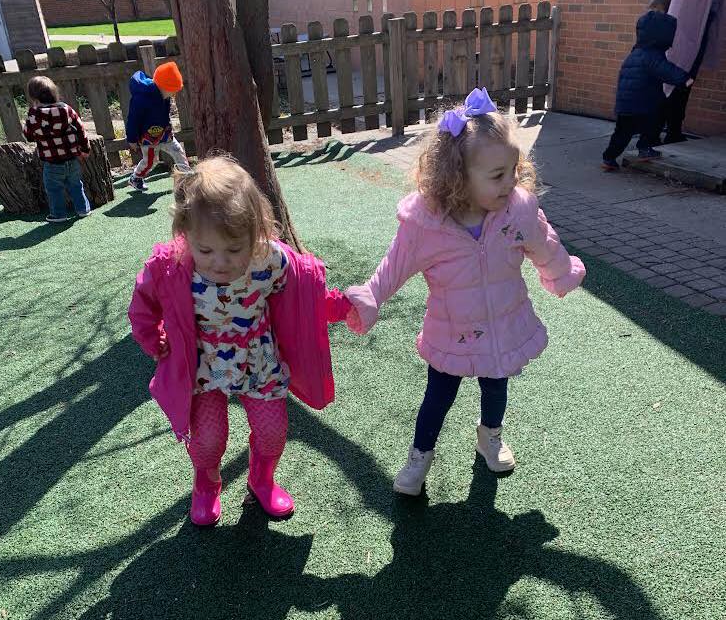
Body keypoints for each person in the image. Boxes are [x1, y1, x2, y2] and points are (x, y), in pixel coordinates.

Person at [344, 88, 586, 497]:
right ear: (458, 177)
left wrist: (561, 273)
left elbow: (545, 244)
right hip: (451, 329)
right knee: (438, 394)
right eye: (496, 176)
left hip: (503, 323)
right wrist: (371, 295)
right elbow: (396, 264)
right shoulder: (426, 223)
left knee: (496, 385)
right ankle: (420, 455)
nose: (510, 182)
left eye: (513, 169)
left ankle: (490, 436)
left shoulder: (518, 210)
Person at [128, 155, 351, 526]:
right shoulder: (174, 264)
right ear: (185, 234)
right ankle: (206, 482)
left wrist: (343, 305)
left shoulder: (268, 259)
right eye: (206, 250)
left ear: (256, 231)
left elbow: (304, 298)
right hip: (203, 368)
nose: (220, 262)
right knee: (207, 439)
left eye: (234, 250)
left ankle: (261, 481)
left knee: (272, 431)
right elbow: (143, 305)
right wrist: (153, 338)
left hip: (258, 361)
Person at [601, 9, 693, 171]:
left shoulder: (636, 52)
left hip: (627, 103)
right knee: (654, 123)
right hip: (643, 103)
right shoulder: (652, 55)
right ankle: (644, 148)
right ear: (662, 36)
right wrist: (685, 79)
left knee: (622, 133)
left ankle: (609, 157)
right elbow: (666, 70)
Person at [659, 0, 726, 143]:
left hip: (694, 27)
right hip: (687, 28)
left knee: (683, 82)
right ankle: (658, 134)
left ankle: (671, 132)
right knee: (677, 82)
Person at [22, 76, 91, 223]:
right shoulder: (66, 109)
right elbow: (80, 129)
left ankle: (59, 215)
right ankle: (83, 209)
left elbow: (28, 135)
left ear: (33, 96)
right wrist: (85, 148)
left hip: (52, 161)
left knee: (54, 190)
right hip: (72, 158)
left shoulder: (34, 114)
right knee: (76, 184)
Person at [125, 61, 191, 192]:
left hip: (164, 133)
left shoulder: (164, 96)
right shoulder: (141, 98)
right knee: (150, 162)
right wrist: (132, 139)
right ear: (163, 86)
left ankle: (187, 178)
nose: (173, 95)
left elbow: (164, 114)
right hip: (147, 137)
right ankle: (136, 178)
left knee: (178, 151)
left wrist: (168, 128)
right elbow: (133, 119)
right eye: (172, 91)